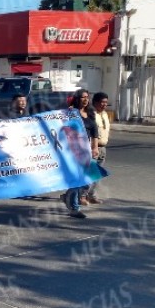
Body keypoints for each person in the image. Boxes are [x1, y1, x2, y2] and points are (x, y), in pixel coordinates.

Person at [60, 89, 99, 219]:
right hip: (73, 150)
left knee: (89, 179)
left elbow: (94, 131)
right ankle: (74, 209)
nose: (86, 99)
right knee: (77, 181)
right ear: (77, 99)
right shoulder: (72, 113)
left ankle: (68, 197)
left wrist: (95, 147)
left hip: (87, 150)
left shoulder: (90, 113)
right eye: (83, 97)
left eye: (87, 97)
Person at [86, 92, 110, 204]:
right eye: (102, 102)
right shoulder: (91, 114)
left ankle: (91, 195)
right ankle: (81, 195)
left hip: (103, 148)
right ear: (95, 102)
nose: (104, 104)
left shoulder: (104, 114)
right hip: (93, 148)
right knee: (89, 173)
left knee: (97, 174)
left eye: (106, 102)